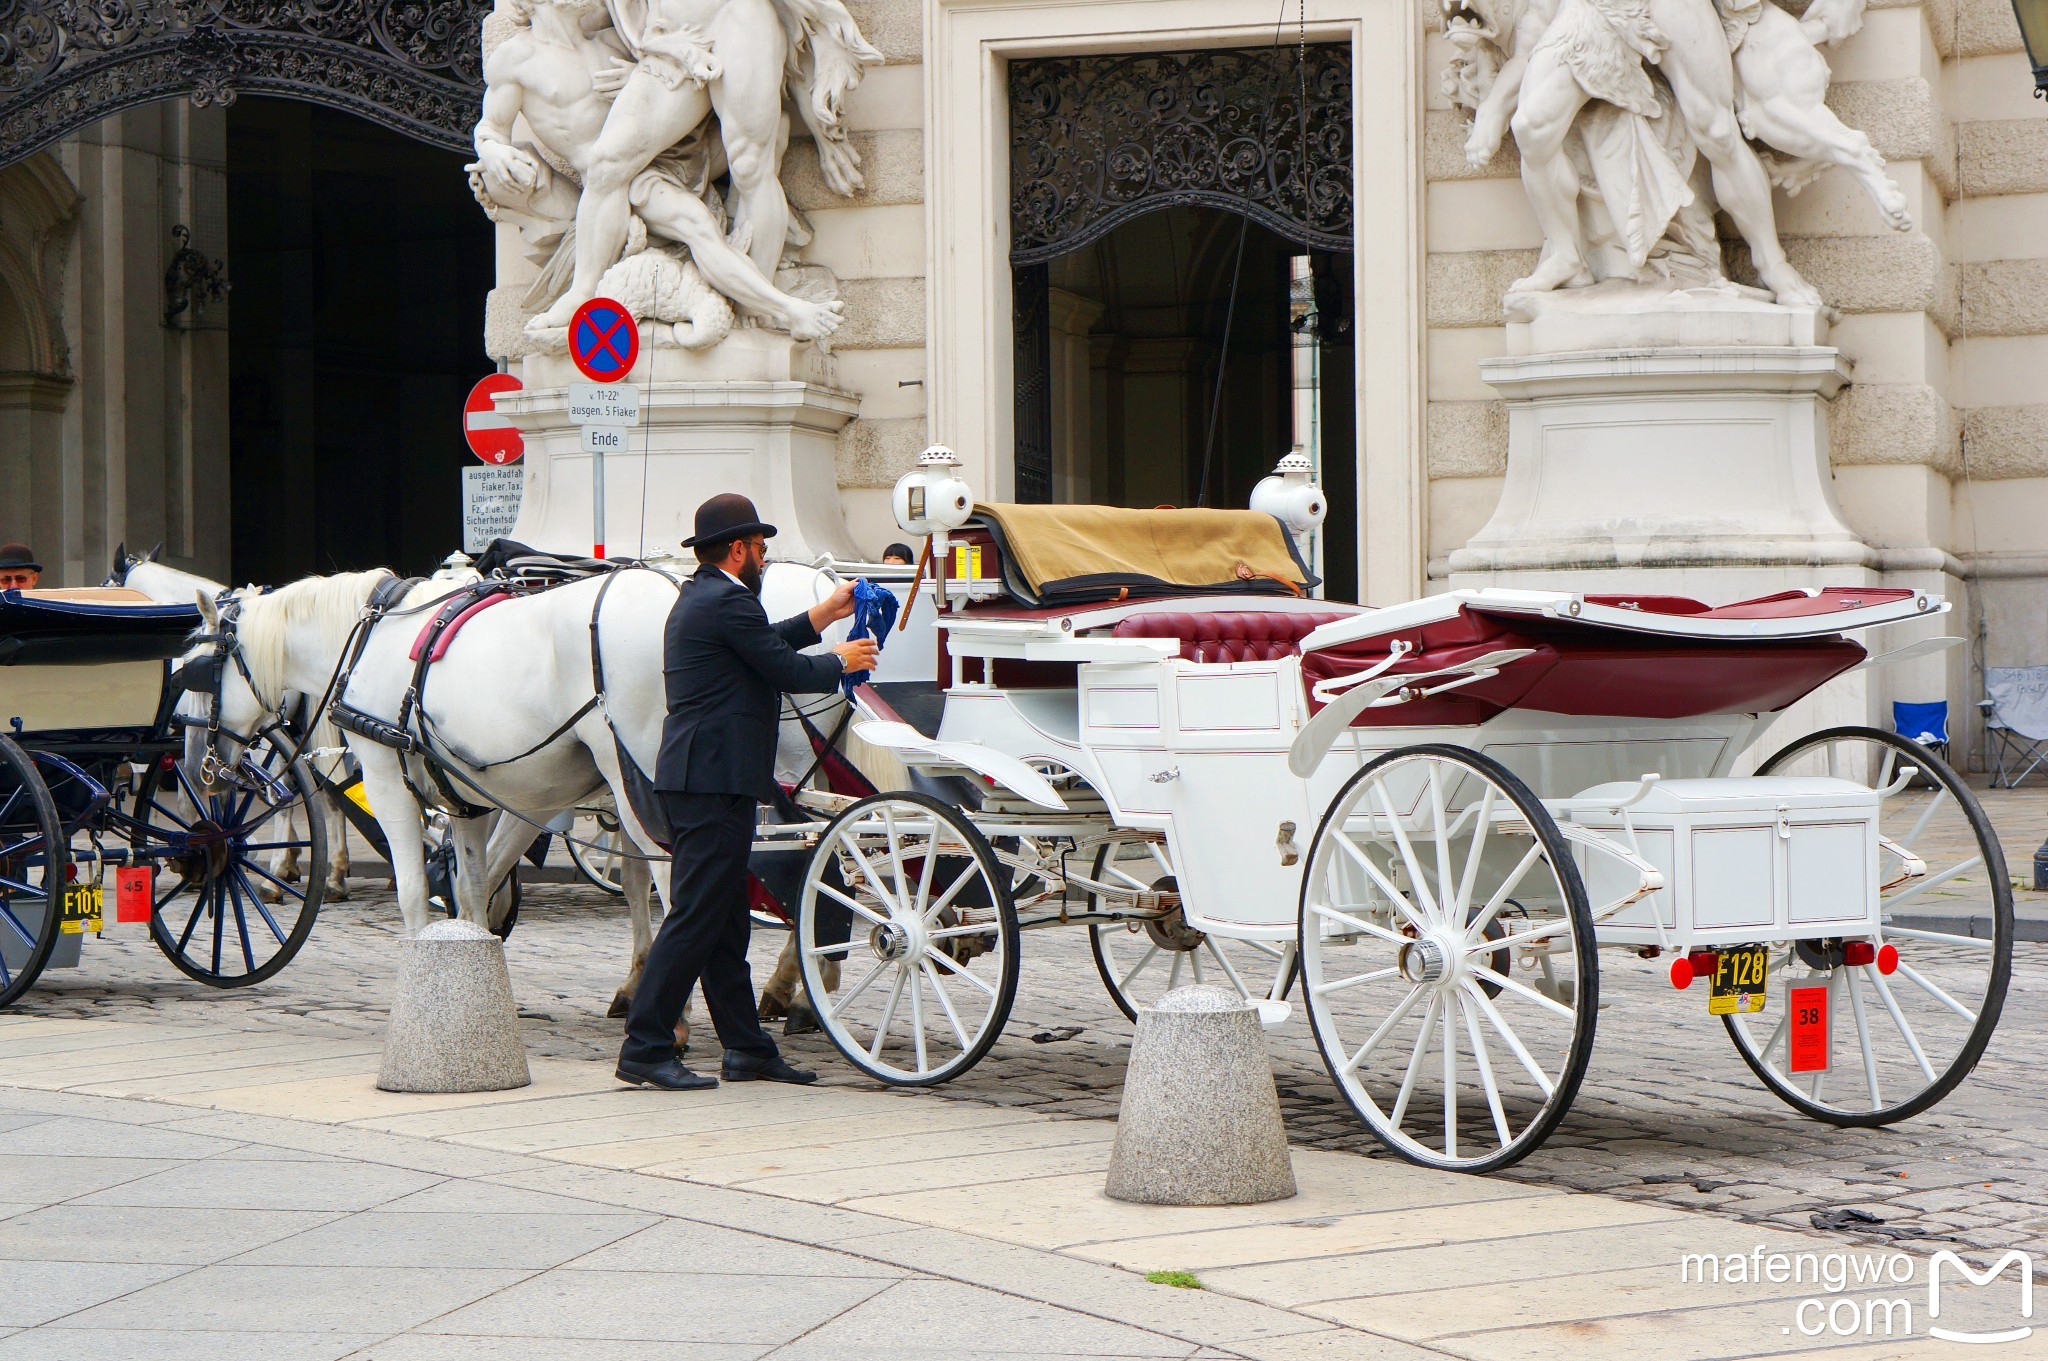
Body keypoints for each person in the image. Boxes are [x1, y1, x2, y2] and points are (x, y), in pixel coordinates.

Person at [617, 493, 880, 1091]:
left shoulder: (710, 597)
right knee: (696, 917)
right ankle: (645, 1044)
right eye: (760, 548)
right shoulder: (725, 602)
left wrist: (824, 614)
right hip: (710, 783)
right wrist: (841, 658)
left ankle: (745, 1047)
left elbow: (766, 643)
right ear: (738, 550)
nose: (764, 557)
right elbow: (784, 669)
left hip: (706, 780)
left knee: (725, 920)